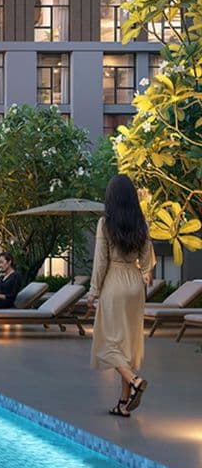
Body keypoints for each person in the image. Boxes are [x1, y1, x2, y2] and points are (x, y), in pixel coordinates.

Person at [86, 174, 154, 418]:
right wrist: (145, 275)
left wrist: (93, 292)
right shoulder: (141, 223)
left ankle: (134, 381)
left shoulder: (105, 223)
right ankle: (124, 403)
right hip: (135, 285)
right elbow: (147, 259)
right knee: (127, 344)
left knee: (106, 342)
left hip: (114, 282)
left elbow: (101, 261)